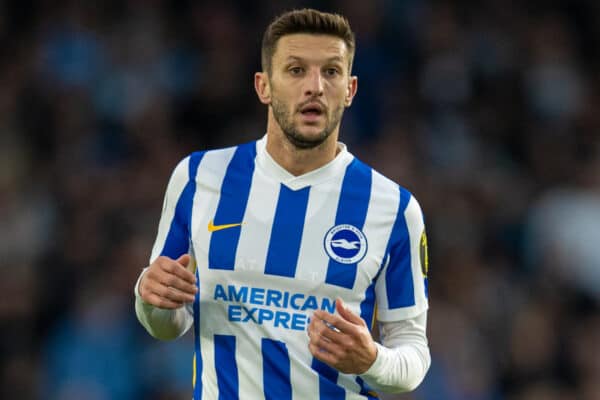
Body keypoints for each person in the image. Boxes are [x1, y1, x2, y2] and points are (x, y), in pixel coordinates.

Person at [134, 8, 431, 399]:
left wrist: (371, 360)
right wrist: (148, 296)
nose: (315, 87)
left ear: (350, 89)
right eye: (295, 70)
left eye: (331, 72)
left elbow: (413, 354)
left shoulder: (393, 208)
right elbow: (168, 321)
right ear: (264, 86)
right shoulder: (199, 176)